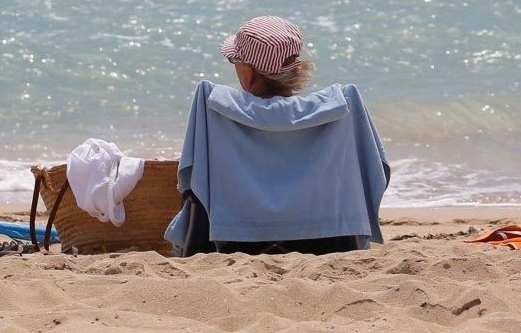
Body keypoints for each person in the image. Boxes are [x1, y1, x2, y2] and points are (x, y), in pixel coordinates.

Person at [165, 15, 390, 256]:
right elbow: (376, 173)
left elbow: (191, 180)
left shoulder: (213, 103)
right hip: (332, 239)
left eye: (234, 60)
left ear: (249, 72)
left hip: (233, 241)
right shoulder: (341, 104)